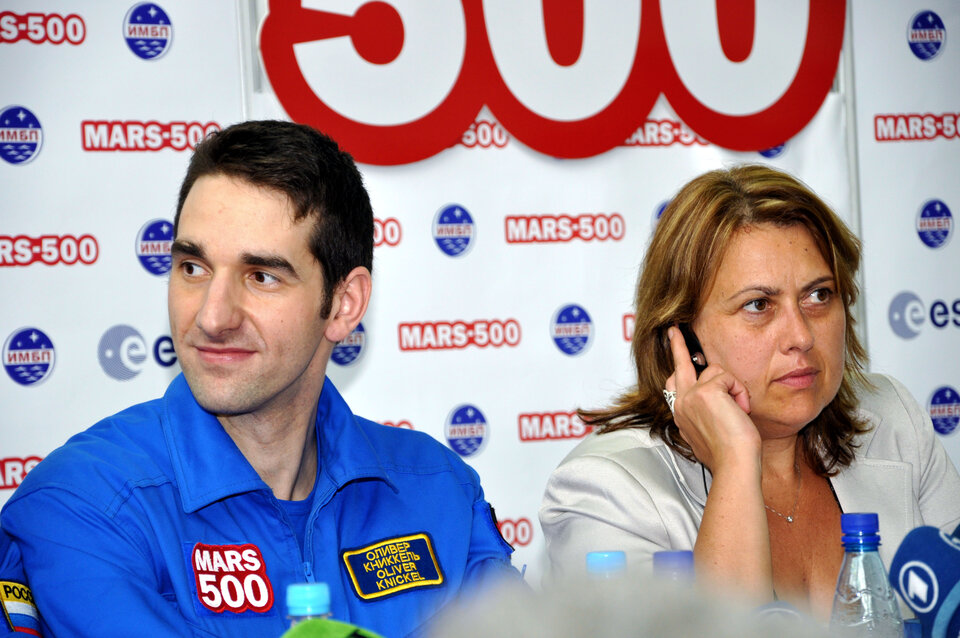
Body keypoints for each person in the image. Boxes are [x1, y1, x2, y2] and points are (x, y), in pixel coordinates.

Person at [0, 120, 518, 638]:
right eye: (192, 268)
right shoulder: (85, 504)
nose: (211, 316)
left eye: (261, 277)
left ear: (344, 304)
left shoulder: (440, 491)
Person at [539, 164, 960, 618]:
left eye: (819, 295)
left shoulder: (893, 419)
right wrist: (737, 462)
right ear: (682, 336)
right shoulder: (606, 490)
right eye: (758, 305)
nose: (800, 335)